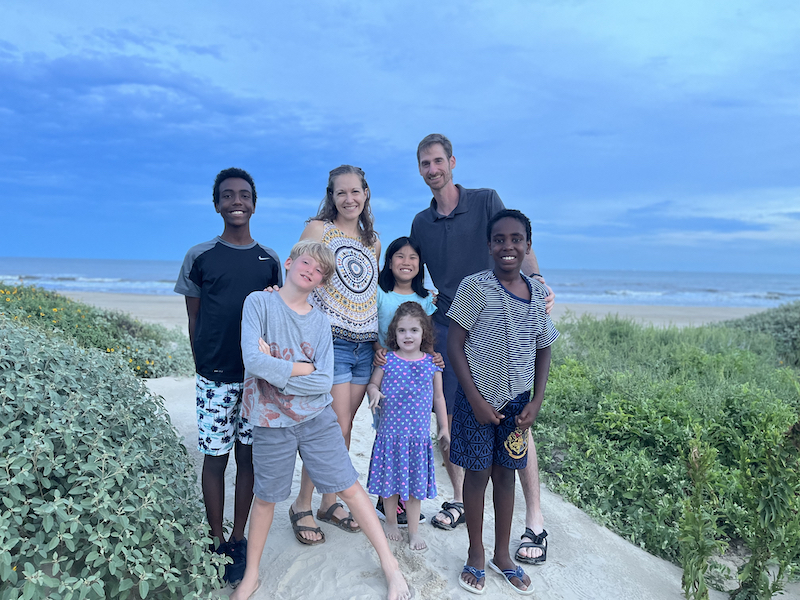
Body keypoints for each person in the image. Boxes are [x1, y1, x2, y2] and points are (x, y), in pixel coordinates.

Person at [230, 240, 410, 600]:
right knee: (266, 499)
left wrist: (279, 368)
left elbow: (322, 380)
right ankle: (252, 575)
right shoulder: (259, 303)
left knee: (350, 487)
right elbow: (253, 360)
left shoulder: (319, 322)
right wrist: (300, 367)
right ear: (290, 262)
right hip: (270, 420)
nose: (310, 271)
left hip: (316, 417)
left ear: (321, 283)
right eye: (307, 263)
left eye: (319, 272)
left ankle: (391, 567)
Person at [410, 134, 553, 565]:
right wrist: (419, 300)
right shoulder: (421, 222)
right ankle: (458, 498)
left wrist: (539, 284)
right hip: (451, 324)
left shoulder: (486, 199)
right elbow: (415, 269)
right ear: (420, 170)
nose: (432, 169)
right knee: (451, 415)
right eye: (424, 164)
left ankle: (535, 520)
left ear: (452, 162)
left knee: (515, 419)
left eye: (438, 161)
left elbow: (516, 241)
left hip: (499, 320)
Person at [174, 167, 282, 586]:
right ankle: (215, 539)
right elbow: (194, 318)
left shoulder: (269, 260)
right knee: (215, 459)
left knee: (248, 458)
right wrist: (202, 362)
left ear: (254, 203)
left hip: (257, 378)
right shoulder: (199, 256)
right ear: (216, 203)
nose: (236, 202)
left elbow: (276, 319)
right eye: (227, 196)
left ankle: (238, 538)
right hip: (214, 376)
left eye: (244, 195)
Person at [447, 209, 558, 595]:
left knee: (506, 477)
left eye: (516, 239)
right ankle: (476, 553)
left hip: (517, 406)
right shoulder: (475, 287)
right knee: (476, 477)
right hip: (478, 401)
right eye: (499, 239)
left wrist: (537, 400)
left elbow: (544, 349)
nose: (508, 246)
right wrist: (475, 400)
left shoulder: (538, 293)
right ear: (489, 245)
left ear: (528, 245)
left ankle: (502, 555)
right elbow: (455, 346)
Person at [289, 165, 381, 543]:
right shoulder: (317, 230)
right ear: (332, 195)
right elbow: (297, 273)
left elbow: (372, 293)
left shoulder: (372, 241)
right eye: (341, 193)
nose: (349, 199)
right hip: (332, 344)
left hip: (366, 345)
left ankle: (329, 501)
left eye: (355, 192)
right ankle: (302, 504)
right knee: (332, 426)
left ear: (365, 193)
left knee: (343, 428)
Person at [366, 302, 449, 551]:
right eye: (402, 331)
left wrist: (443, 427)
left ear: (424, 332)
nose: (408, 336)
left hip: (417, 438)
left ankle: (413, 530)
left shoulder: (432, 364)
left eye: (414, 330)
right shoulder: (387, 360)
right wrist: (374, 394)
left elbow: (439, 398)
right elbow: (373, 384)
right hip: (390, 436)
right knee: (389, 486)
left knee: (415, 490)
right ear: (394, 333)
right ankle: (391, 522)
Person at [372, 236, 438, 525]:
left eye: (413, 257)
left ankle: (402, 499)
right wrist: (377, 352)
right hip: (387, 368)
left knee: (408, 441)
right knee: (388, 440)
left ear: (420, 264)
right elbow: (370, 325)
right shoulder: (379, 293)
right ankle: (388, 497)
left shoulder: (426, 299)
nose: (406, 262)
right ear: (389, 262)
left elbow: (428, 336)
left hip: (413, 374)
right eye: (399, 256)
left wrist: (433, 357)